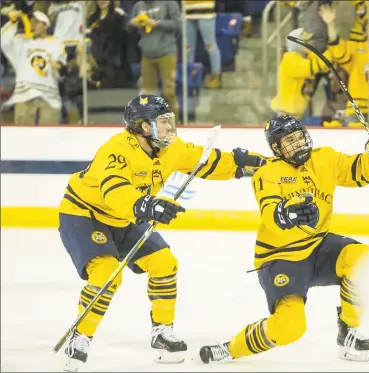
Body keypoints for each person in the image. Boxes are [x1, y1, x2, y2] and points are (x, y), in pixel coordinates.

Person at [58, 94, 266, 372]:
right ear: (144, 127)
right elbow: (115, 190)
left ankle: (162, 332)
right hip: (85, 215)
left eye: (169, 120)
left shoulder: (171, 148)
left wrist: (244, 164)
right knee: (107, 272)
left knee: (165, 263)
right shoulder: (117, 150)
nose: (169, 127)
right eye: (162, 122)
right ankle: (81, 335)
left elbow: (206, 161)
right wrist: (147, 205)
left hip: (128, 217)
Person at [198, 115, 369, 364]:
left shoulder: (325, 158)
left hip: (317, 246)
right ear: (276, 148)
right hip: (280, 257)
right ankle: (230, 348)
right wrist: (287, 212)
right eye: (289, 141)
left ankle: (349, 332)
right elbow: (270, 212)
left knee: (362, 258)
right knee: (291, 327)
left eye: (299, 137)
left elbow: (359, 172)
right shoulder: (267, 172)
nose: (298, 144)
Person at [320, 4, 369, 127]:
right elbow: (337, 46)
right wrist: (331, 24)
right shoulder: (355, 48)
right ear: (364, 32)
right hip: (355, 108)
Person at [1, 9, 67, 125]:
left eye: (37, 22)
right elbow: (3, 41)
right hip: (24, 94)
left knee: (50, 135)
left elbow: (62, 62)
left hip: (49, 95)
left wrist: (58, 66)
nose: (33, 24)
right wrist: (12, 21)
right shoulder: (21, 41)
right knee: (23, 136)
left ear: (45, 25)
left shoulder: (56, 43)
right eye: (31, 22)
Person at [129, 1, 181, 124]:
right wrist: (132, 24)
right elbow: (130, 27)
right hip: (147, 54)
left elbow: (178, 24)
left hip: (167, 52)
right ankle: (149, 128)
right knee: (147, 95)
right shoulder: (139, 5)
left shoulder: (170, 3)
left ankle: (173, 125)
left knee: (168, 92)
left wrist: (157, 23)